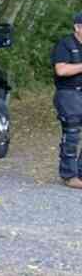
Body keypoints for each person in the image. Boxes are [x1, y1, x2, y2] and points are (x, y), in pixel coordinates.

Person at [52, 13, 82, 188]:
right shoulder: (65, 44)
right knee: (71, 134)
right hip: (68, 94)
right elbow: (61, 70)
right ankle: (69, 176)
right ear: (77, 27)